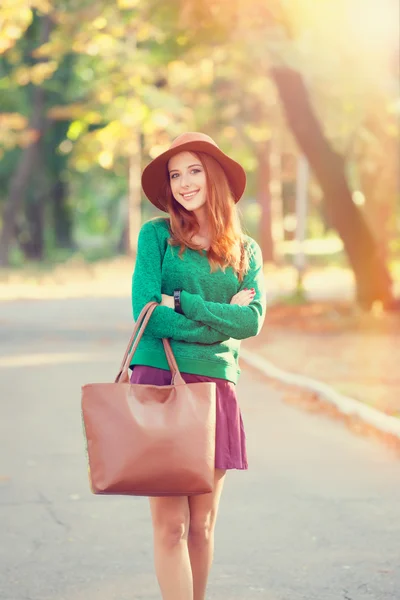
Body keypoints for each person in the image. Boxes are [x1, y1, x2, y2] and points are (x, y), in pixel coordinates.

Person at [130, 132, 266, 600]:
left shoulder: (246, 250)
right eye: (175, 174)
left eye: (194, 170)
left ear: (215, 175)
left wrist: (185, 304)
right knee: (171, 526)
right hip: (161, 382)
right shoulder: (156, 236)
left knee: (203, 526)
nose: (184, 183)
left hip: (215, 387)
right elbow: (146, 312)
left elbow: (250, 321)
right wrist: (215, 315)